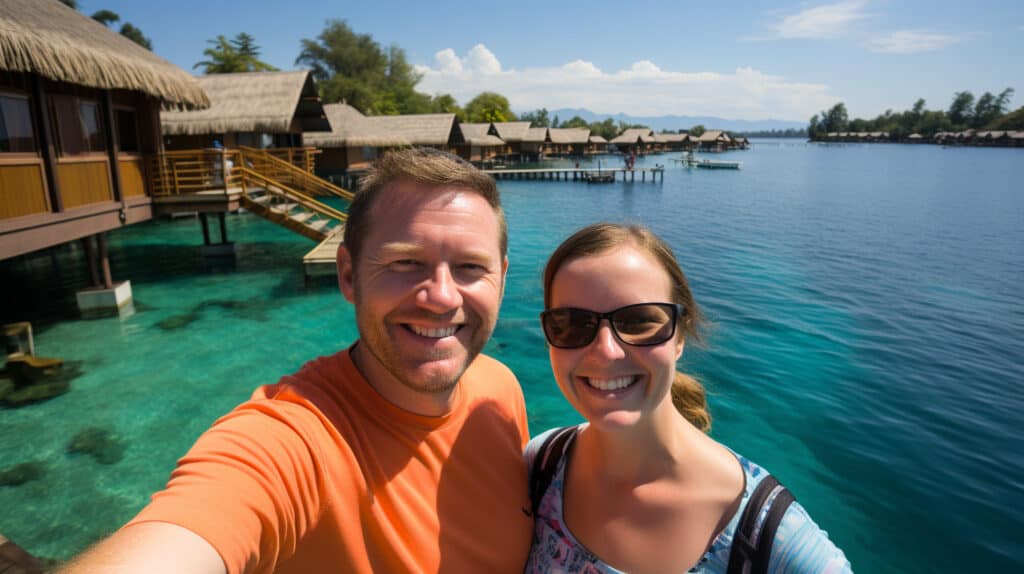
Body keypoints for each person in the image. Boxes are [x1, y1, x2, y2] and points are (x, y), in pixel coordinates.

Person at [59, 148, 534, 573]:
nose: (441, 297)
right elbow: (192, 526)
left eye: (471, 267)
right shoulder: (293, 439)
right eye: (404, 263)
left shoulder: (499, 389)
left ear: (503, 277)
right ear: (347, 275)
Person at [525, 223, 851, 573]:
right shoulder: (541, 463)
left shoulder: (771, 540)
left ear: (679, 337)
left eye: (639, 322)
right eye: (571, 324)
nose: (606, 351)